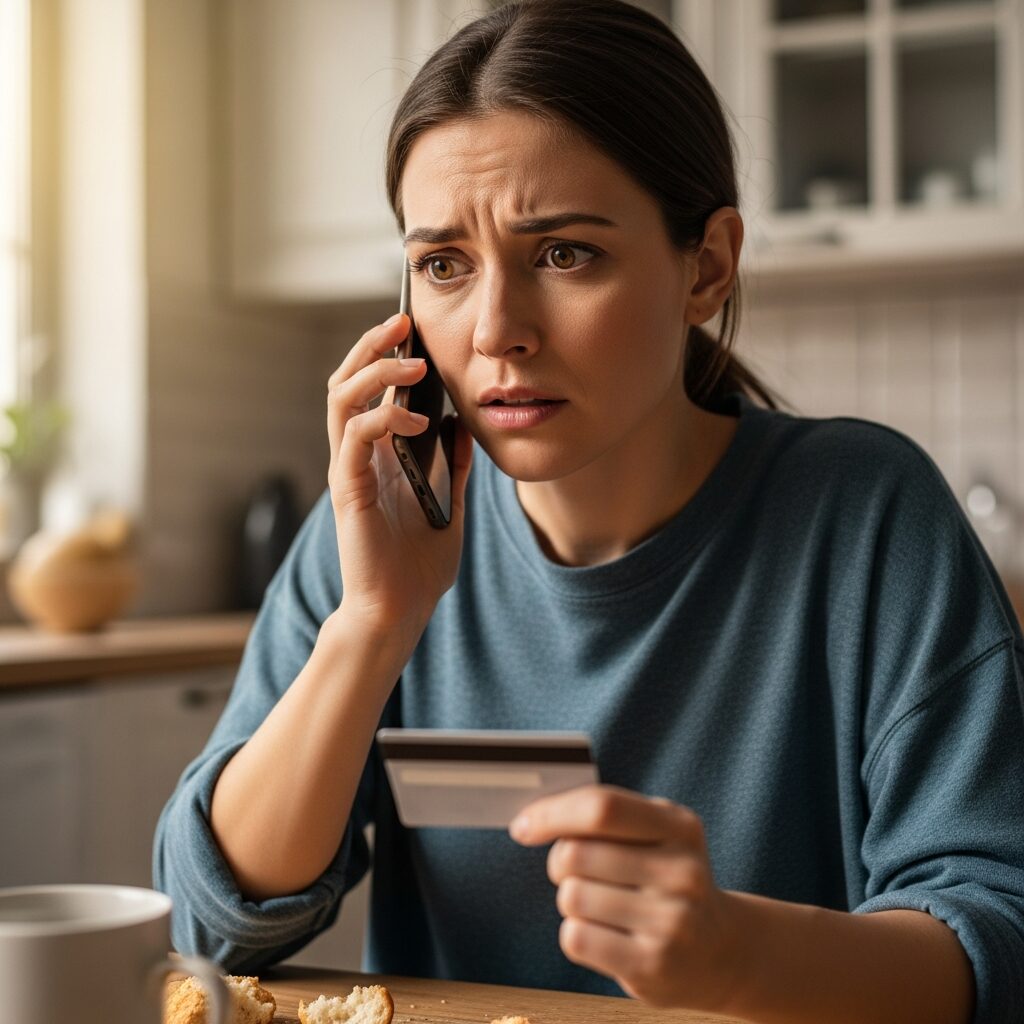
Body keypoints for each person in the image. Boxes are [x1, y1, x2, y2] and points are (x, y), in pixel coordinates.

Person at [153, 2, 1024, 1021]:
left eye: (563, 253)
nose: (495, 331)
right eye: (443, 264)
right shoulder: (377, 533)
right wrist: (373, 626)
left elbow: (996, 937)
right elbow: (207, 928)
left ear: (705, 266)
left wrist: (736, 953)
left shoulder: (868, 516)